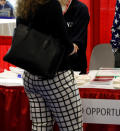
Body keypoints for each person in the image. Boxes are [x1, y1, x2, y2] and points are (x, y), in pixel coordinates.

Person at [16, 0, 83, 130]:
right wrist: (72, 48)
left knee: (41, 126)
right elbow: (64, 40)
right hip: (55, 77)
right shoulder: (51, 5)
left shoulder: (24, 4)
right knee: (72, 127)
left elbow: (21, 34)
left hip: (31, 76)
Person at [60, 0, 90, 74]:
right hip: (52, 67)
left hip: (75, 66)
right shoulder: (50, 9)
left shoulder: (81, 9)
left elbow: (77, 44)